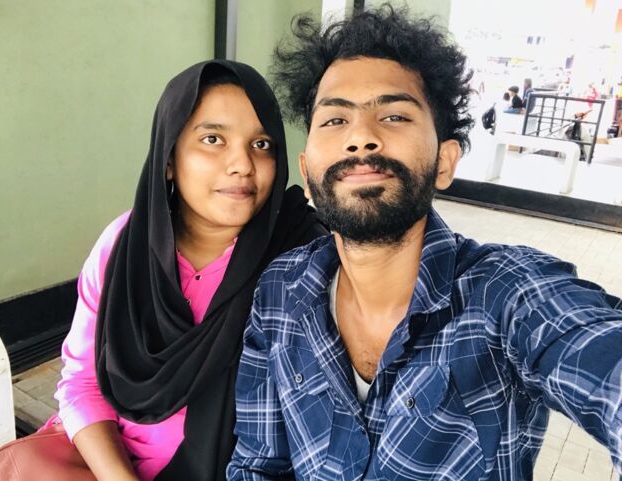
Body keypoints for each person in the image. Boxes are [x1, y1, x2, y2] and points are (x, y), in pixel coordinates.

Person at [227, 6, 622, 481]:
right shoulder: (280, 292)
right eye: (334, 119)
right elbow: (257, 464)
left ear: (444, 163)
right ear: (308, 173)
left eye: (394, 115)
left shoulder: (507, 296)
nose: (361, 137)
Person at [54, 60, 326, 481]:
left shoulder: (300, 257)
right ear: (168, 158)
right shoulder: (124, 248)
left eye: (261, 144)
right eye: (213, 139)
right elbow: (82, 384)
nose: (242, 164)